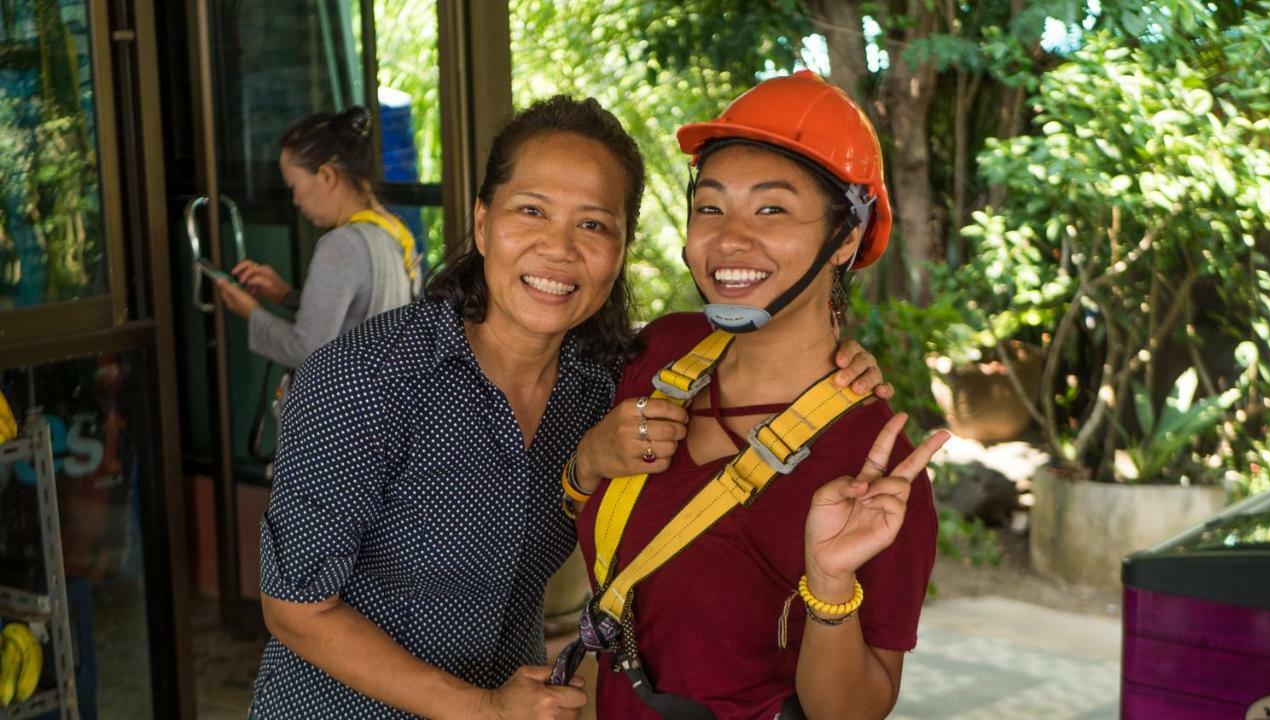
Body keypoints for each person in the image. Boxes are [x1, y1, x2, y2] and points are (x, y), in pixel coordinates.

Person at [248, 93, 892, 720]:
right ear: (482, 222)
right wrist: (479, 710)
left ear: (620, 250)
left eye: (593, 224)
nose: (559, 248)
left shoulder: (614, 381)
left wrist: (835, 355)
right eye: (531, 211)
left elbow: (769, 336)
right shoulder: (367, 376)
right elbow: (296, 607)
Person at [558, 71, 947, 720]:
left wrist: (829, 586)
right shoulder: (660, 355)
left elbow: (854, 711)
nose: (729, 239)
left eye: (772, 209)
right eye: (710, 207)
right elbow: (592, 527)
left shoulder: (870, 469)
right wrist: (587, 463)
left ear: (846, 238)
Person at [216, 106, 418, 369]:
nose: (295, 200)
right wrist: (287, 296)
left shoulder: (343, 244)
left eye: (294, 186)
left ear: (326, 176)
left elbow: (307, 351)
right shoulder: (393, 232)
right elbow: (359, 316)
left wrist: (251, 313)